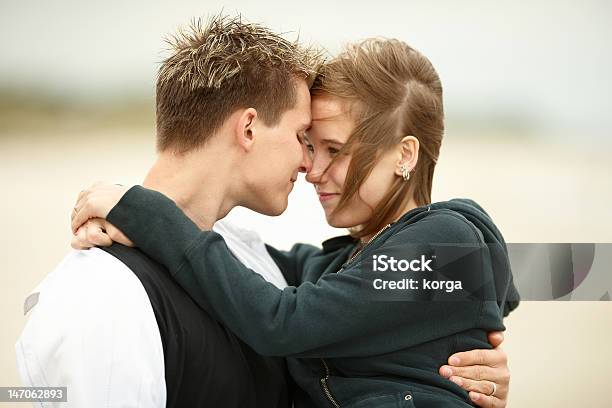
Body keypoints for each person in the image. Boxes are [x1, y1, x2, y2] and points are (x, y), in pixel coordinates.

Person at [70, 34, 518, 407]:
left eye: (334, 149)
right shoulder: (344, 264)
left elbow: (282, 322)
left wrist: (144, 212)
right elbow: (238, 262)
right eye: (308, 143)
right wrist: (134, 225)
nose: (313, 169)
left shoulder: (446, 245)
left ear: (404, 154)